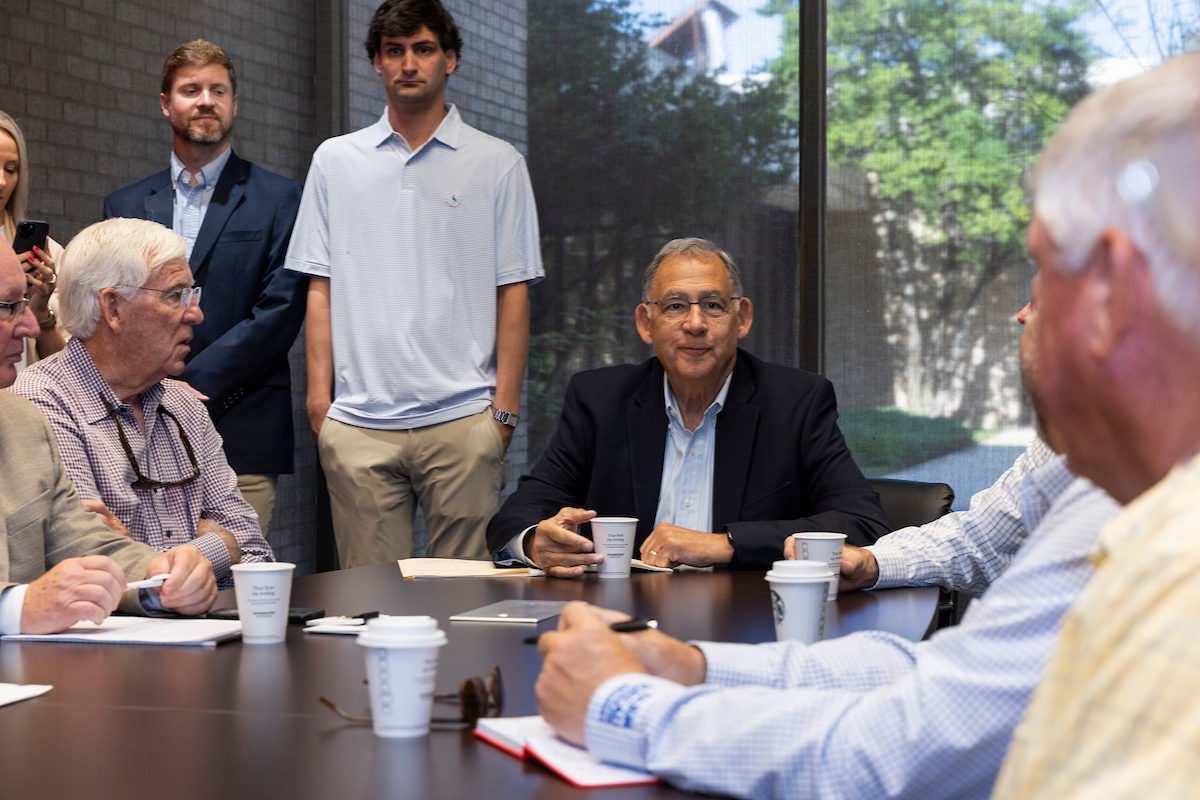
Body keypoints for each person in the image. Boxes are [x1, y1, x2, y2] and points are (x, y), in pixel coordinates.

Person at [531, 265, 1124, 799]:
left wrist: (623, 708)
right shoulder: (1077, 451)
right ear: (645, 322)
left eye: (1045, 292)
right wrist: (690, 664)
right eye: (674, 307)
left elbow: (895, 748)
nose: (1020, 313)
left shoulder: (1149, 511)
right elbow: (973, 562)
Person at [988, 53, 1200, 800]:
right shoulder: (1146, 524)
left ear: (1108, 292)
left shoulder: (1179, 583)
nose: (1026, 313)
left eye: (1044, 273)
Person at [286, 0, 542, 567]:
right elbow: (318, 286)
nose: (409, 63)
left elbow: (515, 292)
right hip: (357, 425)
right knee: (370, 607)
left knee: (468, 600)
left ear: (450, 60)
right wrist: (319, 405)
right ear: (376, 62)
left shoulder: (498, 163)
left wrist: (502, 412)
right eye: (394, 51)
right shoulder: (334, 160)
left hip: (464, 419)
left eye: (423, 49)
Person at [488, 238, 890, 574]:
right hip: (628, 621)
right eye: (675, 305)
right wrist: (535, 541)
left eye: (713, 305)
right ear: (646, 322)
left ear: (742, 317)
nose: (695, 323)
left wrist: (728, 544)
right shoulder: (600, 399)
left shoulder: (796, 402)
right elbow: (519, 512)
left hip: (748, 616)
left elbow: (862, 522)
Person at [103, 40, 306, 539]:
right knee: (156, 582)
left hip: (242, 422)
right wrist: (159, 390)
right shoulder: (124, 204)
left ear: (234, 104)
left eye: (219, 90)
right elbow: (114, 313)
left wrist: (183, 387)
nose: (206, 100)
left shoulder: (279, 198)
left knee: (232, 579)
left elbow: (278, 311)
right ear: (166, 103)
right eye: (191, 90)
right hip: (138, 429)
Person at [13, 218, 274, 590]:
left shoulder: (184, 404)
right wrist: (218, 546)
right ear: (113, 307)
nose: (196, 313)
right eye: (175, 295)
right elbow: (93, 566)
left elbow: (255, 550)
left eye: (192, 294)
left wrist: (217, 547)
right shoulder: (42, 404)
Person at [0, 236, 217, 634]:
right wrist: (17, 606)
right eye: (7, 308)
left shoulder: (23, 424)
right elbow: (34, 598)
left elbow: (85, 544)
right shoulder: (42, 399)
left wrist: (158, 575)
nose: (31, 325)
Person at [0, 110, 67, 364]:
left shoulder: (48, 253)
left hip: (25, 397)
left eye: (10, 169)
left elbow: (65, 368)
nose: (2, 181)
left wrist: (40, 312)